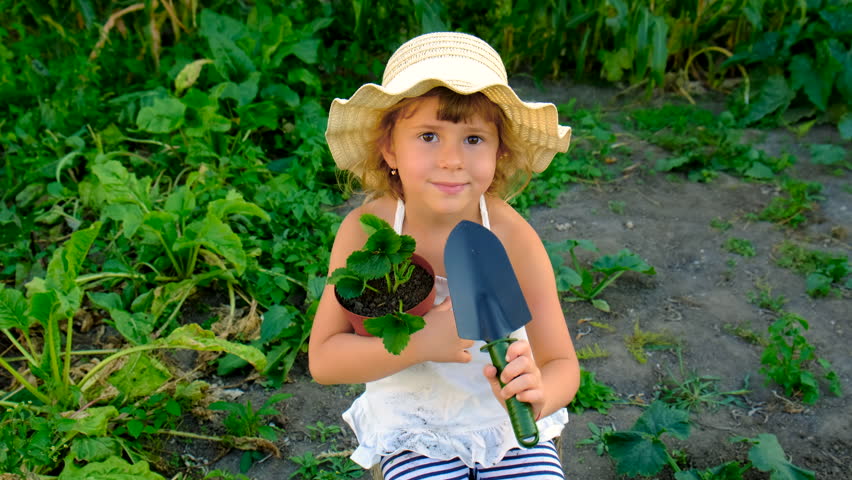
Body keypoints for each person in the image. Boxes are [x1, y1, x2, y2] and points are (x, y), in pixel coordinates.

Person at [310, 31, 580, 479]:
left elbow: (562, 363)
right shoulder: (369, 233)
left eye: (473, 139)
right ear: (390, 147)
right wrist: (422, 342)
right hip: (413, 431)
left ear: (500, 151)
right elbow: (324, 359)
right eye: (429, 136)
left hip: (505, 429)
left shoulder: (510, 237)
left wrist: (541, 393)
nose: (452, 159)